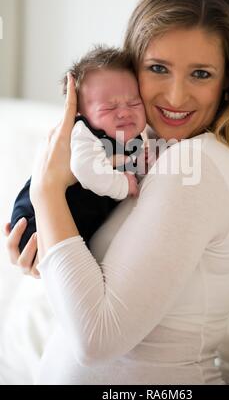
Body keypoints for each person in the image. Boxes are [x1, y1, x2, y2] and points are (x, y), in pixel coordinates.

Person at [3, 0, 229, 385]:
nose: (176, 97)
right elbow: (96, 299)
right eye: (158, 68)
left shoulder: (194, 164)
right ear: (130, 67)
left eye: (201, 73)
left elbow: (96, 341)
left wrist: (45, 190)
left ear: (228, 83)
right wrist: (48, 255)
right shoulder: (146, 157)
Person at [10, 46, 147, 252]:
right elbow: (86, 169)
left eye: (134, 103)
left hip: (78, 224)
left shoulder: (132, 137)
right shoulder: (83, 133)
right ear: (79, 113)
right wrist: (123, 186)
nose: (124, 112)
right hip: (34, 224)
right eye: (109, 107)